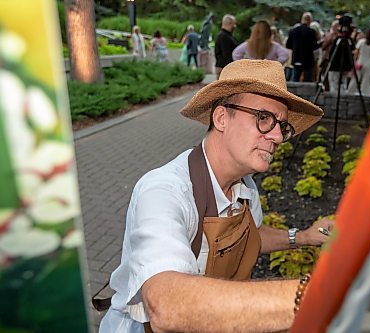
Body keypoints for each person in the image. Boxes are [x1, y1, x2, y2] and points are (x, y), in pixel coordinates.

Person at [98, 59, 334, 333]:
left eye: (283, 125)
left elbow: (252, 235)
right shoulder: (164, 190)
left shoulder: (245, 186)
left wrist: (303, 237)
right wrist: (320, 297)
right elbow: (166, 305)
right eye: (264, 119)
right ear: (221, 118)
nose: (278, 137)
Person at [286, 12, 321, 82]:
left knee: (295, 79)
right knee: (307, 81)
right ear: (310, 21)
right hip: (308, 60)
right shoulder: (312, 32)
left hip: (296, 58)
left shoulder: (293, 31)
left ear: (302, 19)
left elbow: (288, 45)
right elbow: (315, 47)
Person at [347, 28, 370, 95]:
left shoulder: (361, 42)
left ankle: (350, 91)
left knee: (355, 78)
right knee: (366, 80)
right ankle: (365, 93)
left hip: (360, 62)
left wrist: (354, 60)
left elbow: (356, 52)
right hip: (369, 63)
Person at [214, 14, 238, 79]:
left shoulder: (225, 35)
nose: (235, 26)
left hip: (224, 67)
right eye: (234, 24)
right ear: (229, 23)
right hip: (224, 68)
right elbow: (226, 55)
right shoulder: (224, 37)